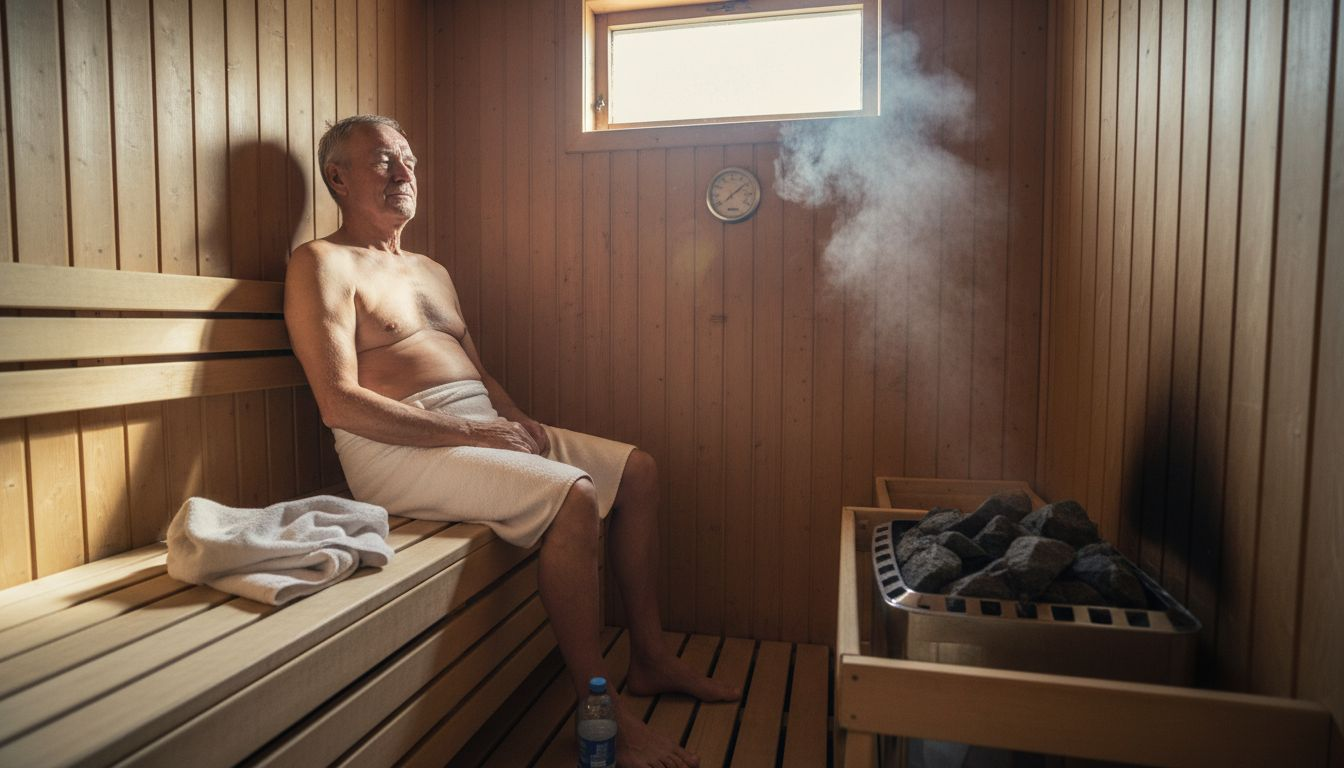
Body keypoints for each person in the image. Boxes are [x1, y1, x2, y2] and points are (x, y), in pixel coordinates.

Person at [284, 114, 737, 768]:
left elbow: (478, 372)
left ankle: (652, 658)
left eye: (409, 160)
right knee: (574, 497)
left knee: (637, 471)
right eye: (384, 161)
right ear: (337, 177)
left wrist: (521, 427)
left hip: (475, 429)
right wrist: (477, 430)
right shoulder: (320, 263)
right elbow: (339, 402)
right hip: (394, 446)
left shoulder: (430, 269)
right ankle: (600, 710)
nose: (405, 173)